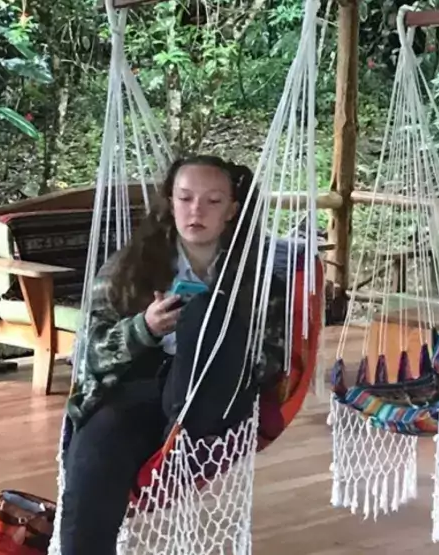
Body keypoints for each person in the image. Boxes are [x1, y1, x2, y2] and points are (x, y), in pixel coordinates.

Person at [59, 155, 290, 552]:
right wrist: (143, 329)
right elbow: (86, 358)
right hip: (136, 395)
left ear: (232, 210)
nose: (196, 210)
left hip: (210, 404)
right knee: (95, 460)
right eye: (185, 198)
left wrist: (221, 341)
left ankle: (181, 425)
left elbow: (273, 361)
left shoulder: (258, 280)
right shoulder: (128, 270)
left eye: (213, 201)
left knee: (207, 312)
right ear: (170, 202)